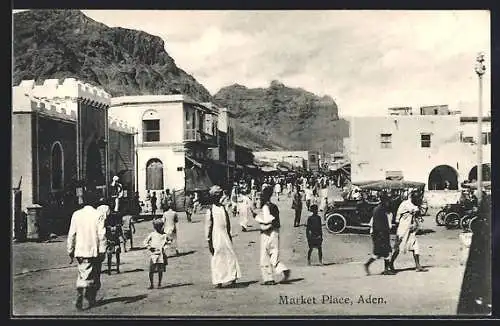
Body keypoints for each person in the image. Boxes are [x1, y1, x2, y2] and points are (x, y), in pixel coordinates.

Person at [67, 192, 106, 310]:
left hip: (80, 251)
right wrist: (102, 250)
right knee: (95, 275)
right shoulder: (98, 214)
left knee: (83, 273)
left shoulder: (76, 214)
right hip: (94, 251)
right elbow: (101, 234)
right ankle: (91, 298)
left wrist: (70, 250)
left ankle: (81, 290)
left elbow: (71, 234)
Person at [205, 185, 241, 288]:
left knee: (230, 256)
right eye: (216, 195)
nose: (218, 197)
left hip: (225, 235)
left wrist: (229, 234)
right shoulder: (210, 210)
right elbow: (208, 226)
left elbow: (227, 222)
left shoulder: (223, 208)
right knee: (217, 257)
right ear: (212, 197)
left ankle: (232, 277)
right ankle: (219, 280)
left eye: (219, 195)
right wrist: (209, 241)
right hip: (216, 236)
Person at [255, 186, 291, 285]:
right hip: (276, 232)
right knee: (274, 254)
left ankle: (268, 278)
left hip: (267, 232)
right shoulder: (274, 206)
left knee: (265, 256)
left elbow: (267, 221)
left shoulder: (265, 207)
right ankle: (282, 269)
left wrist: (258, 219)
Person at [389, 191, 428, 272]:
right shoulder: (405, 204)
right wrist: (397, 224)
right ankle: (390, 263)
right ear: (412, 197)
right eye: (416, 198)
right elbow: (398, 215)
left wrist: (417, 219)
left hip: (411, 228)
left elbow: (418, 214)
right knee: (398, 247)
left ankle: (418, 266)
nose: (417, 199)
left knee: (415, 246)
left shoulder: (416, 204)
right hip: (403, 228)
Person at [364, 191, 395, 275]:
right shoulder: (379, 210)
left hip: (382, 234)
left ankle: (385, 269)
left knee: (384, 252)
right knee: (380, 253)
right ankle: (370, 265)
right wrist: (381, 236)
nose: (389, 203)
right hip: (380, 234)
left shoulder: (381, 209)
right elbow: (377, 225)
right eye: (388, 201)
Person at [143, 218, 171, 289]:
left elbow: (170, 241)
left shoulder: (164, 235)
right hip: (154, 254)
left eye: (161, 226)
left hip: (161, 254)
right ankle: (151, 284)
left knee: (160, 270)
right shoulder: (152, 234)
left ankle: (159, 284)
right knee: (151, 270)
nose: (160, 228)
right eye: (158, 227)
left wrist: (164, 247)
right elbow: (145, 242)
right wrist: (149, 247)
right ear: (155, 227)